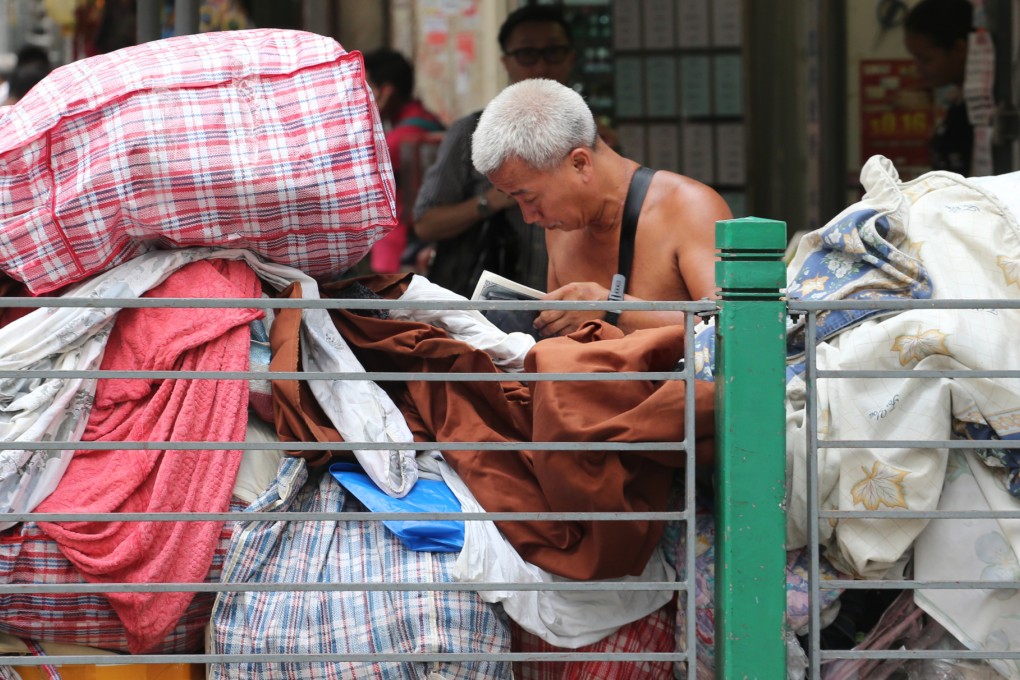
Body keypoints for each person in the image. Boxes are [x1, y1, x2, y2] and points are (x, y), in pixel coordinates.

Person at [472, 78, 733, 337]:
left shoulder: (689, 207)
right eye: (512, 200)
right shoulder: (561, 228)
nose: (529, 217)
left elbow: (736, 328)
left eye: (529, 198)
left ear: (580, 164)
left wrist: (612, 312)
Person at [412, 4, 580, 297]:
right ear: (506, 61)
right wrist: (488, 202)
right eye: (527, 54)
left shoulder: (590, 136)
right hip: (488, 314)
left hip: (572, 307)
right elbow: (426, 225)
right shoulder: (471, 132)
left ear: (570, 58)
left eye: (553, 52)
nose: (540, 67)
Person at [363, 48, 444, 275]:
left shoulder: (398, 140)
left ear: (386, 91)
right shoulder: (428, 120)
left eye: (366, 88)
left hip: (397, 253)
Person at [903, 0, 974, 176]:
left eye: (926, 59)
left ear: (959, 50)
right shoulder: (956, 103)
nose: (918, 68)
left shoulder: (979, 112)